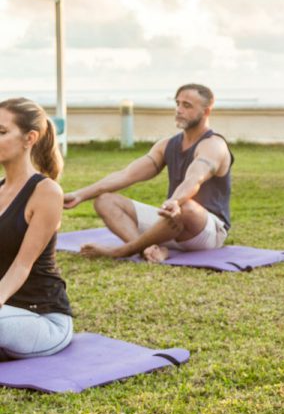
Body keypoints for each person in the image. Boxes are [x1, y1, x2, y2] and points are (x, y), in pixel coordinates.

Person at [64, 84, 233, 263]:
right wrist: (79, 195)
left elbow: (194, 178)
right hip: (171, 223)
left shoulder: (214, 145)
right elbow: (126, 175)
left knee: (187, 207)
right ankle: (149, 249)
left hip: (205, 230)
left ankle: (123, 250)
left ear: (206, 111)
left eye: (187, 105)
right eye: (178, 104)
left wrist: (175, 201)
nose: (179, 110)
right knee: (105, 200)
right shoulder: (167, 145)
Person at [0, 98, 73, 359]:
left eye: (2, 132)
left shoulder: (46, 192)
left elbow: (22, 265)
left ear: (29, 138)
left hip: (43, 319)